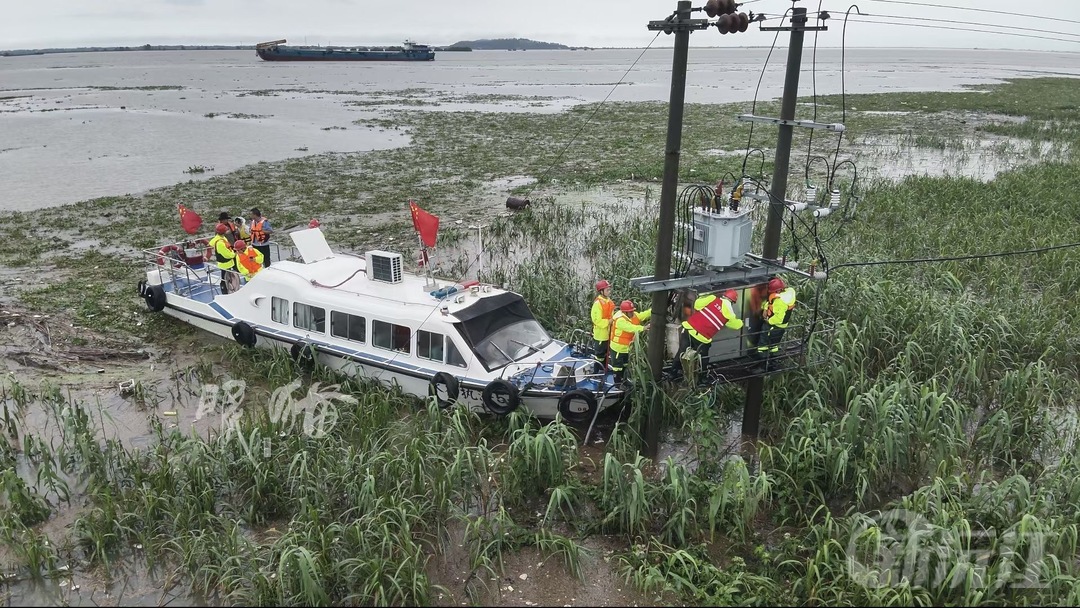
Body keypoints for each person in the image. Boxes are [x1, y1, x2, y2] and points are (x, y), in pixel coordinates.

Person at [666, 288, 744, 380]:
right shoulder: (729, 314)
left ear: (723, 296)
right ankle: (702, 378)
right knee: (703, 359)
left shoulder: (712, 298)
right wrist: (742, 322)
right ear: (732, 302)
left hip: (689, 329)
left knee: (681, 352)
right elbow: (736, 326)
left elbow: (697, 305)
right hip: (702, 338)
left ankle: (673, 373)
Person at [608, 300, 651, 383]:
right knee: (617, 368)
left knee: (625, 365)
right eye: (630, 311)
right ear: (625, 312)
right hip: (618, 348)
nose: (633, 313)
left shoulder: (632, 315)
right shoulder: (620, 320)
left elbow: (642, 315)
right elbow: (630, 328)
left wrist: (652, 311)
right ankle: (617, 384)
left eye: (633, 311)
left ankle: (624, 381)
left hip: (626, 348)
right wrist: (643, 328)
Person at [755, 277, 797, 360]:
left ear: (777, 291)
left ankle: (763, 362)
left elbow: (779, 318)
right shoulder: (786, 295)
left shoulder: (780, 302)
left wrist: (768, 321)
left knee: (764, 344)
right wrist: (766, 308)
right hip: (779, 326)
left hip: (774, 325)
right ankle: (772, 359)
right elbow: (772, 303)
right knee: (774, 344)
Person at [589, 279, 615, 366]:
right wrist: (609, 322)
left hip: (608, 332)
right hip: (601, 334)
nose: (609, 291)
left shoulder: (609, 301)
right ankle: (597, 371)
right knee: (599, 354)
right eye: (607, 290)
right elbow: (597, 320)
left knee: (605, 353)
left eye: (609, 289)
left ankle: (604, 368)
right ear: (601, 291)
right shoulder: (597, 304)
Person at [208, 223, 238, 294]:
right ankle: (224, 291)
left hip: (226, 263)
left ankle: (228, 289)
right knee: (224, 278)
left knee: (227, 277)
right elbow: (226, 254)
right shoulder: (220, 243)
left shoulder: (219, 238)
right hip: (225, 263)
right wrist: (234, 254)